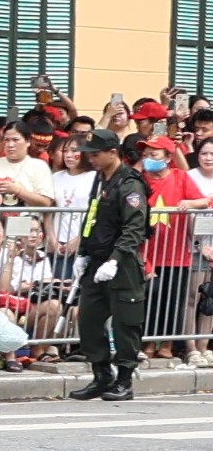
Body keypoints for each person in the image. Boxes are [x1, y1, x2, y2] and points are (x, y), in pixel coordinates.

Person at [69, 127, 151, 400]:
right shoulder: (100, 179)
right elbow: (92, 217)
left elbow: (134, 229)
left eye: (95, 154)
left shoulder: (130, 184)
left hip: (122, 264)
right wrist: (83, 252)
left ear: (112, 152)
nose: (90, 158)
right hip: (96, 260)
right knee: (88, 319)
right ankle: (102, 374)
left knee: (125, 324)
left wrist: (115, 260)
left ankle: (124, 381)